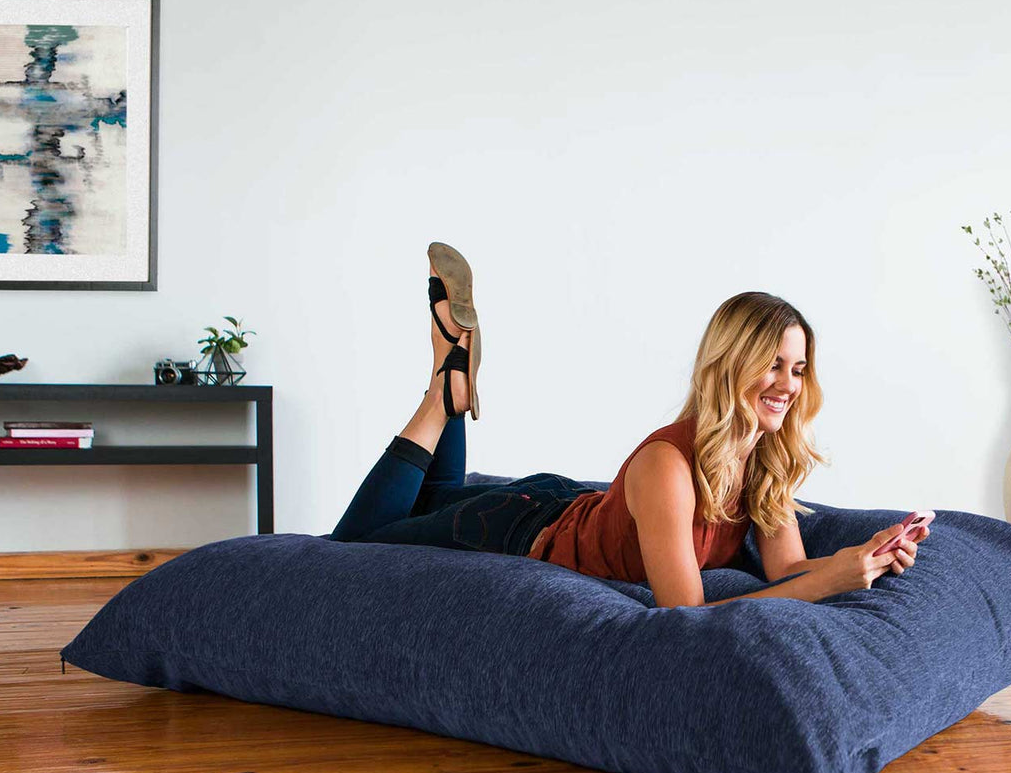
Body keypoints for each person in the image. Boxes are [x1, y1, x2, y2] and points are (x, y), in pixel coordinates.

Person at [328, 242, 927, 608]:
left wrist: (859, 559)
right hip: (516, 529)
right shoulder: (668, 465)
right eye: (773, 364)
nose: (789, 385)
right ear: (731, 362)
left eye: (797, 369)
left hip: (567, 504)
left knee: (424, 505)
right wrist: (827, 584)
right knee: (352, 545)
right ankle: (442, 395)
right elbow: (685, 613)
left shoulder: (763, 459)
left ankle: (451, 376)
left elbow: (786, 571)